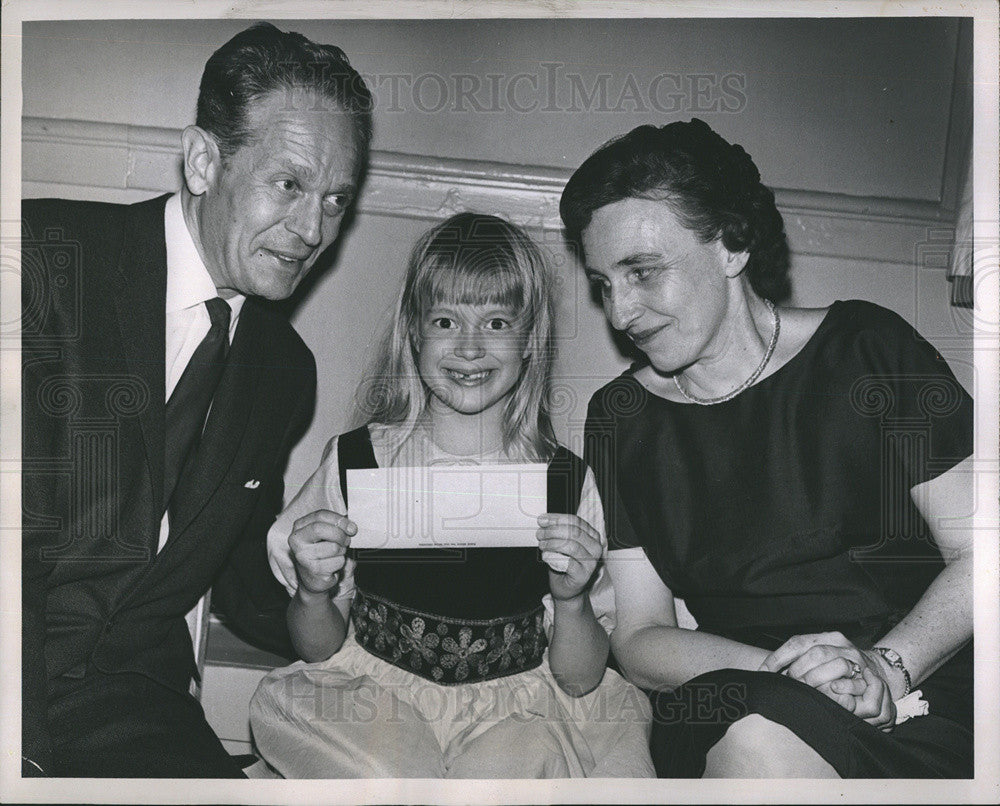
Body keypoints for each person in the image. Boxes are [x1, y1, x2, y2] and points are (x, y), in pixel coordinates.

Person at [559, 119, 974, 778]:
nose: (620, 313)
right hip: (735, 693)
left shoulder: (868, 350)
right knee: (757, 738)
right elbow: (639, 638)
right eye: (604, 283)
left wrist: (886, 667)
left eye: (642, 272)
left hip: (916, 690)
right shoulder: (621, 416)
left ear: (731, 244)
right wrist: (787, 671)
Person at [21, 23, 372, 778]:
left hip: (126, 698)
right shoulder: (44, 264)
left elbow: (243, 577)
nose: (314, 229)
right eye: (291, 184)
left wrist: (319, 583)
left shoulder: (282, 369)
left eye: (337, 199)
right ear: (205, 159)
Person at [249, 212, 654, 778]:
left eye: (495, 322)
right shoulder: (358, 460)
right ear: (413, 331)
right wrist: (315, 593)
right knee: (388, 769)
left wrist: (570, 599)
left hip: (517, 714)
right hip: (375, 707)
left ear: (529, 338)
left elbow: (581, 678)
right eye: (445, 320)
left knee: (509, 768)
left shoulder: (562, 481)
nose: (468, 347)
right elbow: (318, 649)